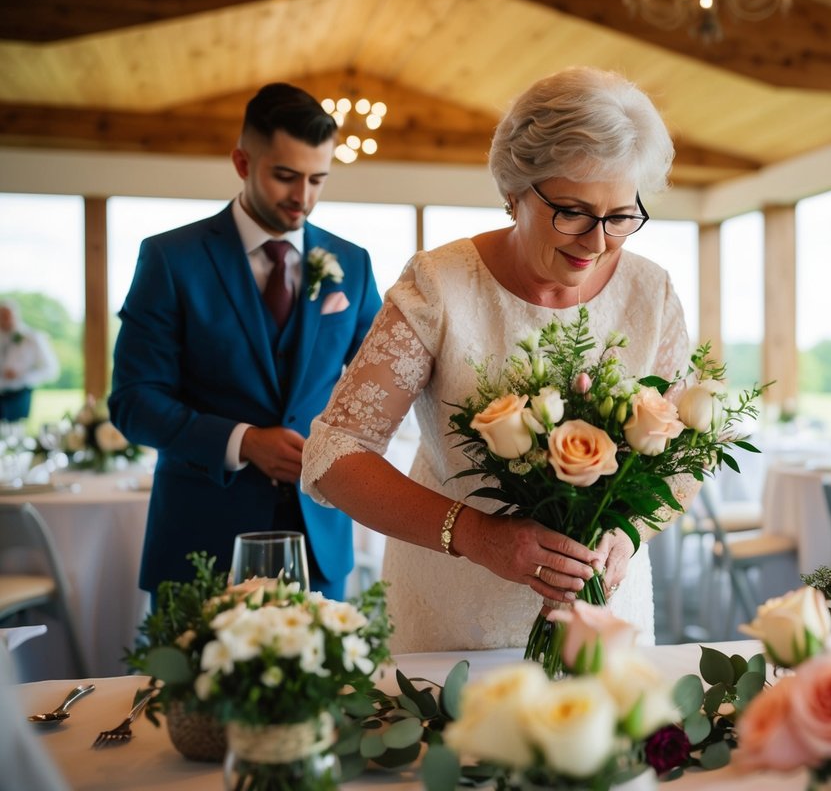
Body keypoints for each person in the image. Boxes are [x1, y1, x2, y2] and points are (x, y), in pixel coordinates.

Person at [302, 67, 691, 653]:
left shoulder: (651, 293)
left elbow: (686, 451)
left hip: (605, 611)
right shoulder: (439, 286)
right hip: (455, 606)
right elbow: (334, 454)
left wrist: (632, 531)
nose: (596, 242)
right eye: (574, 212)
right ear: (514, 191)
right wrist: (477, 535)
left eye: (619, 217)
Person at [109, 83, 381, 601]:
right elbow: (133, 403)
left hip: (319, 544)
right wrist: (241, 441)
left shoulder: (352, 263)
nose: (303, 197)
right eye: (285, 176)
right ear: (241, 161)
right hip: (200, 541)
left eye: (317, 179)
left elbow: (383, 379)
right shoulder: (171, 260)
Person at [0, 300, 59, 423]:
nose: (4, 320)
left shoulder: (32, 338)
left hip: (19, 395)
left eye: (7, 316)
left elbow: (51, 369)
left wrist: (22, 376)